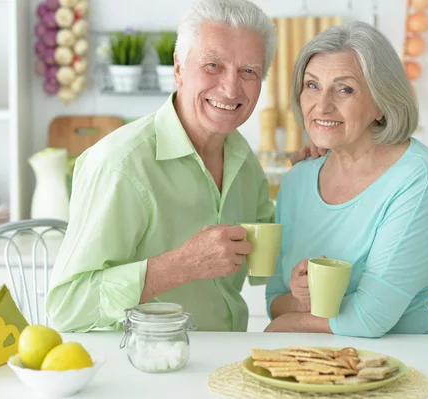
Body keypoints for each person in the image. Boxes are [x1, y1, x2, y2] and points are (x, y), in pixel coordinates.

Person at [46, 0, 285, 333]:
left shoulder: (243, 160)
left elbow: (269, 263)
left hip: (223, 364)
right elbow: (66, 307)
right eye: (213, 65)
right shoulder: (120, 165)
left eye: (249, 71)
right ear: (178, 68)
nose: (231, 88)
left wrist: (318, 172)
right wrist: (182, 265)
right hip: (141, 372)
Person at [264, 21, 428, 337]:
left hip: (421, 364)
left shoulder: (420, 178)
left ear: (381, 103)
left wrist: (285, 324)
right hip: (326, 365)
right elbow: (275, 299)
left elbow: (369, 318)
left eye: (345, 89)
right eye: (312, 85)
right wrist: (302, 301)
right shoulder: (296, 182)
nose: (322, 105)